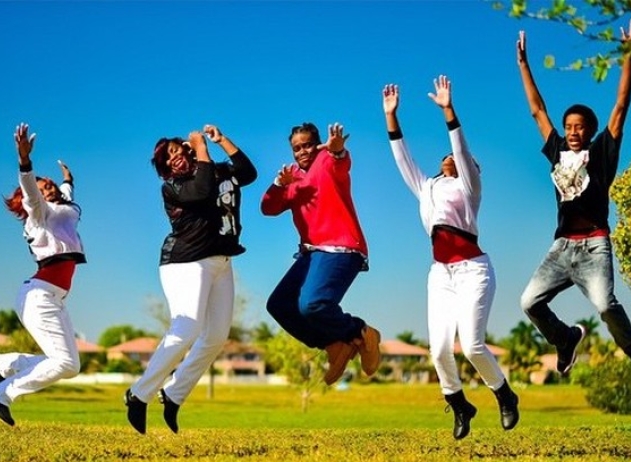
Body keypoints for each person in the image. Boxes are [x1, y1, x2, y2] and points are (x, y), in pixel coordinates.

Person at [383, 76, 519, 440]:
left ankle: (504, 394)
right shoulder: (427, 186)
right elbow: (402, 157)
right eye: (444, 156)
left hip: (474, 270)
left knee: (472, 344)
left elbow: (460, 150)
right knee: (439, 348)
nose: (450, 158)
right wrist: (391, 116)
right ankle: (459, 403)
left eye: (460, 159)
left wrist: (448, 111)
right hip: (440, 274)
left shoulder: (469, 188)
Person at [517, 23, 631, 387]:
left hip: (594, 245)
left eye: (579, 127)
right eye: (568, 126)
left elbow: (621, 106)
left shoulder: (602, 152)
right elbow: (538, 110)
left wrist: (629, 56)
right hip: (561, 248)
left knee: (605, 306)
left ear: (590, 130)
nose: (572, 131)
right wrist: (524, 64)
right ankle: (566, 338)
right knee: (529, 302)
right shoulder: (556, 151)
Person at [124, 125, 257, 434]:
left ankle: (173, 394)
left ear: (185, 149)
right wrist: (201, 148)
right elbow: (202, 191)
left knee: (215, 337)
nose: (174, 160)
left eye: (176, 151)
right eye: (166, 159)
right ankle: (138, 395)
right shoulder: (173, 187)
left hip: (221, 262)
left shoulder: (215, 170)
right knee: (187, 328)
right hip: (185, 263)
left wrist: (220, 140)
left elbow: (247, 173)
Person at [0, 124, 86, 426]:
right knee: (64, 362)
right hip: (39, 297)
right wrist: (25, 162)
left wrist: (68, 179)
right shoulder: (39, 216)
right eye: (44, 188)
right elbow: (31, 192)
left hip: (52, 298)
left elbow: (64, 194)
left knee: (70, 365)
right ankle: (0, 394)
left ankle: (5, 363)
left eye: (50, 184)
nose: (49, 188)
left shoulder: (61, 207)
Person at [261, 122, 380, 386]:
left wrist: (337, 150)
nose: (302, 151)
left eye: (306, 145)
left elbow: (340, 161)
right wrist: (279, 183)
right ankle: (334, 344)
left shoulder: (326, 160)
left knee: (312, 304)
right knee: (279, 305)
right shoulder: (292, 177)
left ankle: (361, 331)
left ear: (317, 145)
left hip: (342, 247)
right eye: (296, 148)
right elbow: (268, 208)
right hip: (312, 254)